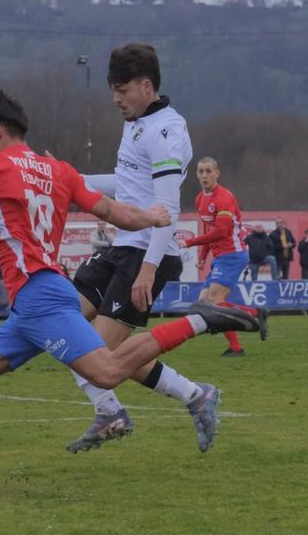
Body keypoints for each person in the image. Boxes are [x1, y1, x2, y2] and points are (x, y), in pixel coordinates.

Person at [0, 89, 257, 497]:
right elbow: (114, 213)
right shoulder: (57, 169)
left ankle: (202, 318)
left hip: (41, 297)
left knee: (107, 370)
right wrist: (150, 215)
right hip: (36, 301)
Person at [66, 43, 228, 454]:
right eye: (112, 90)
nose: (115, 99)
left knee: (99, 353)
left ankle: (122, 411)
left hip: (148, 253)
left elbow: (167, 207)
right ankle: (193, 396)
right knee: (61, 322)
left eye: (122, 90)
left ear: (146, 85)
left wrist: (148, 269)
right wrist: (70, 180)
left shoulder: (167, 132)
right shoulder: (137, 122)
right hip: (124, 246)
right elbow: (127, 185)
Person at [178, 157, 269, 358]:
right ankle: (255, 314)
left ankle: (236, 346)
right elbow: (208, 229)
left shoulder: (224, 198)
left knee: (215, 302)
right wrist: (203, 255)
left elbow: (221, 231)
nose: (204, 175)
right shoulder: (200, 199)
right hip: (220, 256)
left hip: (233, 254)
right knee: (203, 305)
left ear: (217, 173)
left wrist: (190, 243)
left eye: (208, 171)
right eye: (200, 171)